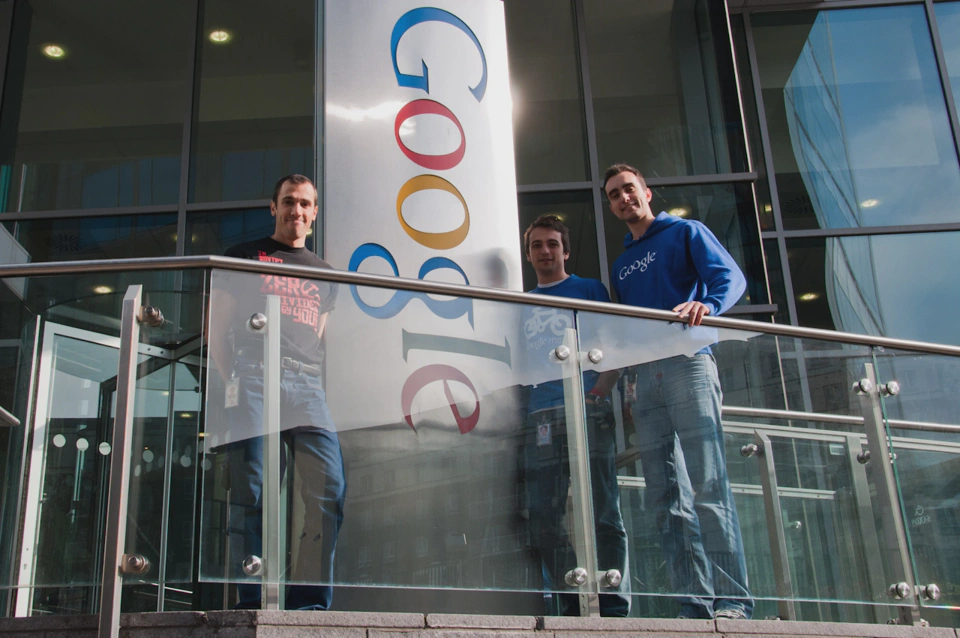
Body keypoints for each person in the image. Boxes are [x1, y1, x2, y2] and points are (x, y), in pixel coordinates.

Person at [603, 163, 753, 620]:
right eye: (614, 195)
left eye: (629, 189)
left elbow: (731, 279)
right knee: (665, 497)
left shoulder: (686, 231)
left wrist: (708, 303)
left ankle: (732, 601)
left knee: (708, 485)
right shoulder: (622, 265)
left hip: (689, 365)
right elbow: (627, 330)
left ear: (646, 192)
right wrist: (627, 381)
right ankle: (694, 602)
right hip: (646, 381)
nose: (623, 198)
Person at [209, 174, 345, 610]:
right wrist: (236, 381)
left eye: (305, 203)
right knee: (252, 490)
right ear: (274, 207)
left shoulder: (325, 274)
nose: (296, 210)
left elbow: (317, 337)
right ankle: (252, 600)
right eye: (288, 201)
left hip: (306, 384)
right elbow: (215, 330)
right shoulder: (244, 256)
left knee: (328, 488)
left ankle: (310, 606)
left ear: (315, 212)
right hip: (254, 375)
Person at [521, 214, 629, 617]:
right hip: (541, 419)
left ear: (565, 251)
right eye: (537, 245)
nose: (545, 251)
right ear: (528, 255)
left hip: (587, 413)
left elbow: (615, 346)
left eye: (552, 243)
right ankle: (574, 603)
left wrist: (598, 392)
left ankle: (612, 605)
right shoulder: (522, 303)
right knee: (543, 517)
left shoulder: (588, 290)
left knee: (603, 510)